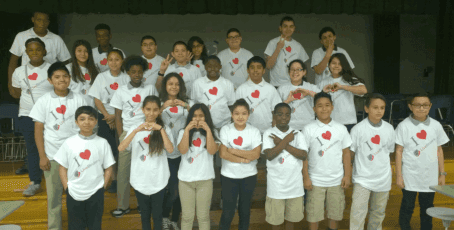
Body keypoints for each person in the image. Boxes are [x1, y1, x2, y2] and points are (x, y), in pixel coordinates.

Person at [8, 11, 71, 175]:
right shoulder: (21, 37)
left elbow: (66, 64)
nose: (34, 52)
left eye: (45, 19)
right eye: (38, 19)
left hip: (50, 103)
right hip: (28, 98)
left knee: (53, 140)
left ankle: (56, 173)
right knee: (31, 141)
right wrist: (11, 85)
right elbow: (13, 62)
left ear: (44, 51)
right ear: (33, 20)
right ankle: (33, 173)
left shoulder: (55, 41)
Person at [28, 62, 87, 230]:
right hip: (53, 157)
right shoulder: (44, 101)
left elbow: (87, 126)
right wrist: (42, 156)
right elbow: (38, 130)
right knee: (54, 199)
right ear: (50, 80)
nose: (62, 80)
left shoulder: (79, 99)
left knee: (77, 196)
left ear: (70, 78)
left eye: (65, 76)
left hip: (76, 157)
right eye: (57, 77)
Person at [109, 55, 158, 217]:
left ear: (143, 72)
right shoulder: (121, 91)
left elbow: (156, 110)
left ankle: (142, 205)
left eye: (140, 71)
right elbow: (117, 115)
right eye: (133, 71)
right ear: (127, 73)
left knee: (143, 169)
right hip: (128, 133)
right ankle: (123, 206)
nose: (137, 74)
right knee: (123, 171)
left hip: (146, 133)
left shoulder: (150, 88)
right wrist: (120, 136)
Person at [53, 106, 115, 230]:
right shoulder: (69, 143)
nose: (87, 122)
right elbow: (62, 167)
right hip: (74, 192)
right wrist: (67, 187)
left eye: (91, 119)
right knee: (75, 226)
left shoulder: (102, 143)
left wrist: (102, 186)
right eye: (82, 119)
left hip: (96, 191)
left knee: (95, 226)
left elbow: (109, 167)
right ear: (76, 122)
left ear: (96, 121)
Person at [118, 95, 174, 230]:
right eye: (148, 109)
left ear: (160, 111)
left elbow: (170, 150)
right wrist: (137, 130)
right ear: (142, 110)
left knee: (157, 215)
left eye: (155, 110)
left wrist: (160, 129)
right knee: (144, 216)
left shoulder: (164, 128)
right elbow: (121, 148)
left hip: (158, 179)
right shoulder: (135, 128)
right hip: (140, 179)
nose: (151, 113)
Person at [396, 92, 450, 230]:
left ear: (430, 106)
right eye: (417, 105)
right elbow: (399, 151)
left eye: (425, 105)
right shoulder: (403, 126)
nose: (421, 108)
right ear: (410, 106)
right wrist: (399, 176)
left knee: (427, 208)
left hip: (429, 176)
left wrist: (442, 173)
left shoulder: (436, 125)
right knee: (407, 206)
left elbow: (439, 150)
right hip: (409, 175)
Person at [10, 38, 54, 196]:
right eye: (31, 50)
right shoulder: (19, 71)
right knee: (33, 148)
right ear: (26, 52)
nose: (34, 52)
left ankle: (56, 181)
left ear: (44, 51)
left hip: (51, 115)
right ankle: (35, 182)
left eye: (38, 49)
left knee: (53, 147)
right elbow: (17, 92)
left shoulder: (52, 69)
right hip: (27, 115)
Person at [302, 92, 352, 230]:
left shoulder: (340, 129)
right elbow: (304, 155)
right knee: (313, 215)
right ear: (314, 109)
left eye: (327, 105)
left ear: (332, 107)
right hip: (315, 181)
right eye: (319, 106)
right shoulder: (308, 129)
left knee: (334, 215)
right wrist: (306, 177)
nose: (324, 109)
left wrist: (347, 175)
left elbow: (346, 153)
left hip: (336, 180)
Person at [349, 93, 396, 230]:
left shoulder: (389, 128)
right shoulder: (357, 129)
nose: (379, 111)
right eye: (375, 107)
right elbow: (351, 154)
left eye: (382, 108)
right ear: (366, 108)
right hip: (362, 179)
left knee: (378, 213)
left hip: (383, 179)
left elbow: (389, 153)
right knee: (358, 213)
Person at [88, 49, 129, 195]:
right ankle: (114, 179)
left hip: (122, 118)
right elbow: (96, 99)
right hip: (105, 118)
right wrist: (107, 115)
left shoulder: (126, 78)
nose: (113, 62)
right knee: (109, 150)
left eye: (117, 59)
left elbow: (130, 100)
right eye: (110, 59)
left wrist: (116, 116)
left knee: (122, 149)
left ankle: (124, 179)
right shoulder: (101, 76)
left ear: (122, 61)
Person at [262, 102, 308, 230]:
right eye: (280, 114)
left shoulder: (297, 134)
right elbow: (270, 155)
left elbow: (303, 155)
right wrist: (286, 140)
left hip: (295, 186)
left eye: (287, 115)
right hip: (276, 187)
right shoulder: (268, 133)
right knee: (276, 222)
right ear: (274, 115)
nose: (284, 117)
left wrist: (283, 143)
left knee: (291, 221)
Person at [218, 99, 262, 230]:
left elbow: (256, 154)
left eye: (244, 113)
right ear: (232, 114)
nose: (240, 117)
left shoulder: (254, 131)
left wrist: (234, 151)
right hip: (228, 176)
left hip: (248, 176)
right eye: (236, 113)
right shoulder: (226, 129)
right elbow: (223, 154)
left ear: (248, 114)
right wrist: (243, 158)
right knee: (228, 211)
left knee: (245, 211)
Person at [177, 104, 220, 230]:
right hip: (185, 181)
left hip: (205, 180)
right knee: (187, 217)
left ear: (206, 117)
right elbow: (183, 150)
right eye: (194, 116)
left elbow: (212, 151)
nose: (197, 119)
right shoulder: (182, 132)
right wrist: (186, 131)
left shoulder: (213, 132)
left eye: (201, 116)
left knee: (203, 217)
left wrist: (208, 131)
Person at [159, 73, 193, 230]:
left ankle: (173, 219)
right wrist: (162, 108)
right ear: (165, 86)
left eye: (177, 84)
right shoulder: (159, 103)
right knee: (172, 189)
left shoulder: (188, 103)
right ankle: (164, 217)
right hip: (166, 153)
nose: (173, 87)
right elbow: (150, 119)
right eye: (170, 84)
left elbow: (198, 117)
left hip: (184, 152)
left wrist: (186, 106)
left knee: (181, 189)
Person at [318, 53, 367, 131]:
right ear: (329, 65)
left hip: (348, 121)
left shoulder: (349, 79)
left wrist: (342, 87)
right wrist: (323, 92)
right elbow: (316, 100)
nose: (336, 66)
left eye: (340, 64)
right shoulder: (323, 82)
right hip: (329, 122)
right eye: (334, 63)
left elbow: (363, 90)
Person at [235, 56, 282, 134]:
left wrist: (274, 131)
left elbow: (276, 112)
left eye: (259, 67)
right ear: (247, 70)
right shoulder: (241, 89)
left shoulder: (271, 89)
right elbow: (236, 112)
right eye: (252, 68)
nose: (255, 70)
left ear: (263, 71)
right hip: (246, 132)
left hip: (267, 132)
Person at [191, 55, 235, 129]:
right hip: (203, 124)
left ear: (220, 67)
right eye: (209, 66)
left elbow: (231, 105)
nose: (212, 69)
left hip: (224, 125)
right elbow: (194, 104)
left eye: (216, 66)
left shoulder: (228, 84)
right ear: (205, 67)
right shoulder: (197, 83)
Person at [264, 16, 309, 87]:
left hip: (294, 85)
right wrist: (278, 48)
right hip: (276, 85)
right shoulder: (273, 43)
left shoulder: (298, 46)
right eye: (285, 26)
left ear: (294, 29)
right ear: (280, 28)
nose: (288, 29)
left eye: (291, 26)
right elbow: (268, 66)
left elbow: (303, 69)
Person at [278, 59, 320, 130]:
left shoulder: (311, 87)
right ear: (288, 72)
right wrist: (288, 100)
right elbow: (276, 110)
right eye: (292, 69)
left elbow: (323, 99)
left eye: (298, 69)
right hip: (288, 127)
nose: (295, 72)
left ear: (304, 72)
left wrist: (308, 92)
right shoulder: (282, 89)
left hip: (309, 127)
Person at [66, 40, 99, 107]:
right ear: (74, 52)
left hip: (91, 109)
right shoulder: (67, 69)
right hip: (74, 108)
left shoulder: (94, 69)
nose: (83, 54)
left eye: (86, 51)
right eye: (79, 51)